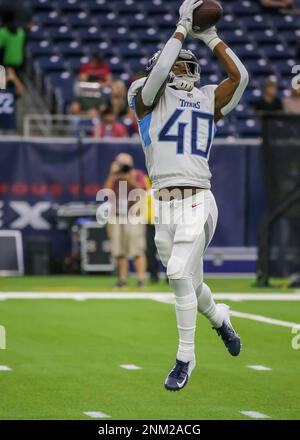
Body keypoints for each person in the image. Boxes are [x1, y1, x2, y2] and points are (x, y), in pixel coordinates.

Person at [128, 0, 249, 391]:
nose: (185, 67)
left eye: (187, 62)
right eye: (179, 62)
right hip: (163, 203)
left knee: (178, 272)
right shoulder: (144, 98)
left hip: (199, 198)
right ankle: (220, 319)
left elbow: (241, 77)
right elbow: (161, 69)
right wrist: (182, 26)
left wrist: (209, 36)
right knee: (190, 284)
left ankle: (185, 357)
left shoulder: (206, 97)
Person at [104, 153, 147, 287]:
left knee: (137, 249)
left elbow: (143, 191)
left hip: (134, 215)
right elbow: (105, 192)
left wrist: (130, 180)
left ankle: (140, 280)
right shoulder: (115, 176)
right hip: (118, 215)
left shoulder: (137, 174)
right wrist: (112, 175)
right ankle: (122, 280)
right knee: (119, 250)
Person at [0, 67, 24, 133]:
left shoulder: (10, 90)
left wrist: (14, 78)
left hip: (10, 125)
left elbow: (21, 91)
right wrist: (7, 78)